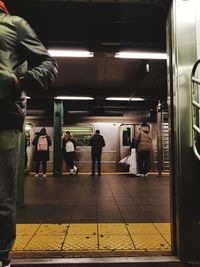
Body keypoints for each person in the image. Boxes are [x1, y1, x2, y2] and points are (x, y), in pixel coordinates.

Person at [0, 1, 58, 266]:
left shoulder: (13, 25)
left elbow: (48, 65)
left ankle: (1, 256)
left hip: (2, 118)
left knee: (2, 197)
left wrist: (18, 82)